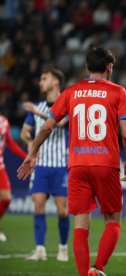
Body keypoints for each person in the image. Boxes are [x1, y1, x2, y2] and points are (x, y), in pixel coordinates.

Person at [17, 47, 126, 276]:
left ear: (87, 68)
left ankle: (83, 274)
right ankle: (97, 267)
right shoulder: (118, 92)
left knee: (81, 224)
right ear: (109, 67)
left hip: (77, 165)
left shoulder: (71, 91)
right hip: (106, 164)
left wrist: (32, 153)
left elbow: (48, 126)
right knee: (113, 219)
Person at [20, 68, 70, 262]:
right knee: (38, 205)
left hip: (60, 165)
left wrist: (38, 113)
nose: (41, 82)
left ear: (56, 82)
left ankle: (63, 248)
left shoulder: (65, 104)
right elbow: (25, 132)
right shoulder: (38, 105)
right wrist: (30, 144)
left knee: (62, 210)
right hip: (40, 166)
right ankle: (40, 249)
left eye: (44, 78)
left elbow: (59, 123)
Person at [0, 115, 27, 242]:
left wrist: (25, 156)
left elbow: (9, 142)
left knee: (7, 198)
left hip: (0, 166)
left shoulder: (4, 122)